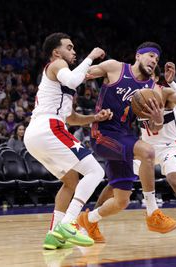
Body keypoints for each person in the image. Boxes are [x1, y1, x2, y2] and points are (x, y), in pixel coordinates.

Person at [80, 63, 176, 248]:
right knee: (115, 184)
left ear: (156, 79)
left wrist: (173, 83)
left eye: (149, 79)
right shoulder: (136, 97)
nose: (144, 82)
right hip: (145, 148)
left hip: (168, 147)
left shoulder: (165, 92)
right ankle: (90, 222)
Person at [76, 43, 176, 244]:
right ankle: (153, 213)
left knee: (121, 201)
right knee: (147, 152)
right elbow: (79, 76)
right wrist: (87, 62)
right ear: (138, 56)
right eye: (151, 56)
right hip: (103, 133)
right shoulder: (115, 67)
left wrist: (158, 117)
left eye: (157, 60)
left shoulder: (152, 89)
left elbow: (155, 127)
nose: (154, 61)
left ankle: (88, 220)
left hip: (124, 137)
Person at [23, 32, 112, 249]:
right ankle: (69, 222)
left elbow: (71, 118)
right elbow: (74, 79)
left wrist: (94, 118)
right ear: (56, 52)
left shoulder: (59, 81)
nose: (73, 51)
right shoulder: (57, 64)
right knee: (96, 171)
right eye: (69, 47)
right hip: (48, 128)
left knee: (71, 181)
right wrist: (91, 56)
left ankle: (54, 234)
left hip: (36, 135)